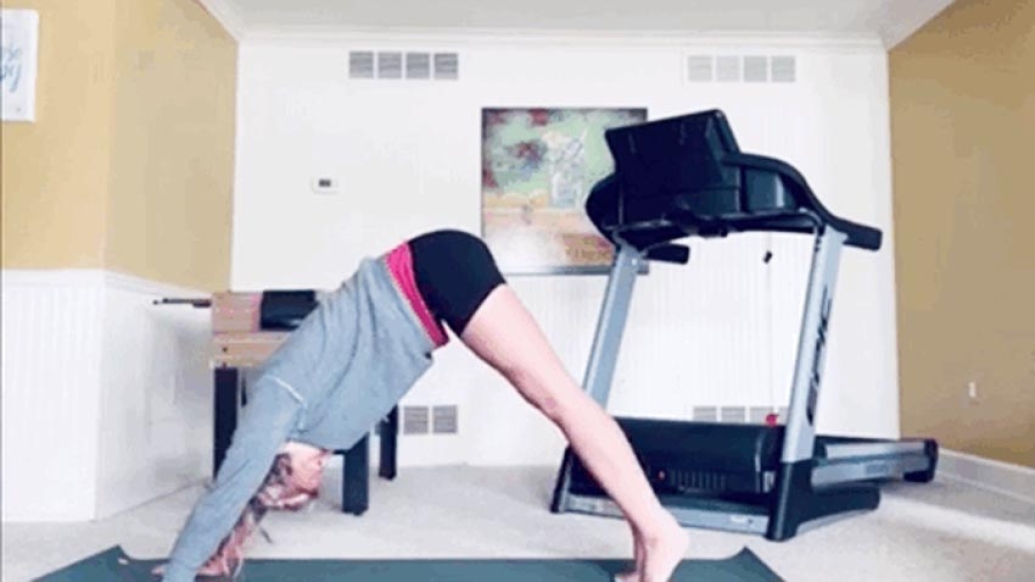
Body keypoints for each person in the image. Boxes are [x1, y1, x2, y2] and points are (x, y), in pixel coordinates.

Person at [157, 229, 689, 582]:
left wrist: (180, 569)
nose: (312, 489)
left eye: (297, 491)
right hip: (431, 286)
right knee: (554, 398)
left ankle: (662, 531)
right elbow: (248, 498)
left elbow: (232, 487)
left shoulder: (277, 404)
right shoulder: (314, 433)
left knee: (557, 397)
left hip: (430, 272)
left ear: (277, 463)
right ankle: (647, 543)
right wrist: (220, 556)